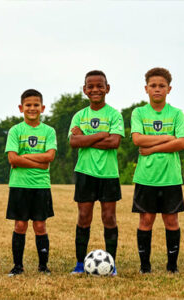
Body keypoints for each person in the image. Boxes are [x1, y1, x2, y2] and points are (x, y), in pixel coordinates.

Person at [131, 67, 184, 274]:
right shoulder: (139, 112)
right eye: (153, 86)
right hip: (146, 177)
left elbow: (182, 143)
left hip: (171, 177)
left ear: (169, 89)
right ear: (146, 88)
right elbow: (137, 139)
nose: (157, 89)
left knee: (171, 220)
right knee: (146, 219)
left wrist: (153, 147)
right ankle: (145, 266)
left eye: (161, 86)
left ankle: (172, 266)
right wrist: (167, 137)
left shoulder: (176, 114)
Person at [69, 70, 125, 275]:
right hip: (85, 173)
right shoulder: (79, 115)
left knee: (109, 218)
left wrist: (87, 137)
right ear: (85, 90)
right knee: (84, 216)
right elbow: (74, 142)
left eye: (99, 85)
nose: (95, 89)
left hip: (109, 174)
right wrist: (102, 134)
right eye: (90, 86)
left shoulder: (114, 114)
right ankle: (79, 264)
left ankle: (112, 264)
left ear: (107, 88)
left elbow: (114, 142)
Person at [5, 89, 57, 276]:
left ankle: (43, 266)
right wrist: (37, 161)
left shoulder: (49, 131)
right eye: (28, 105)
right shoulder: (15, 130)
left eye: (36, 105)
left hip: (40, 186)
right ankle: (18, 266)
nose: (32, 108)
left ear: (42, 108)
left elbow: (49, 157)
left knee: (40, 226)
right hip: (20, 185)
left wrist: (24, 156)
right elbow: (13, 159)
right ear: (21, 108)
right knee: (20, 225)